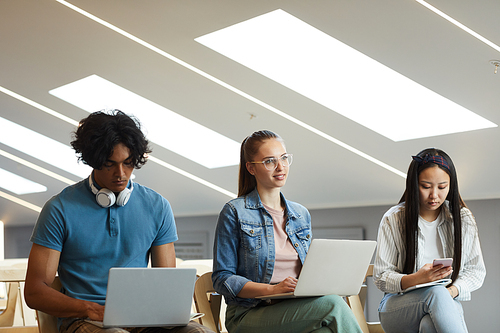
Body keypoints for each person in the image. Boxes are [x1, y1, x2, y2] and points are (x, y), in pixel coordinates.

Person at [24, 110, 213, 333]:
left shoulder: (157, 206)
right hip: (85, 320)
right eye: (110, 164)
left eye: (128, 163)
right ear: (92, 160)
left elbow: (165, 285)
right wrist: (90, 309)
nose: (121, 173)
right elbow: (35, 291)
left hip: (143, 319)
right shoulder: (59, 209)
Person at [212, 130, 363, 333]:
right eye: (269, 161)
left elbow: (311, 270)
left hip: (296, 308)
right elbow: (222, 278)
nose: (280, 167)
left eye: (284, 158)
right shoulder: (234, 212)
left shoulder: (301, 214)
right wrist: (272, 289)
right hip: (248, 314)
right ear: (251, 168)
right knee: (333, 305)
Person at [373, 148, 486, 333]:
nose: (434, 195)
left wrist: (451, 292)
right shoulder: (393, 218)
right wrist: (416, 279)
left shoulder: (463, 218)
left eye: (442, 187)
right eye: (426, 186)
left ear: (451, 186)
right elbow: (381, 277)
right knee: (436, 294)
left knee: (430, 324)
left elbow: (475, 271)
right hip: (396, 308)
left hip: (445, 301)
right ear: (413, 184)